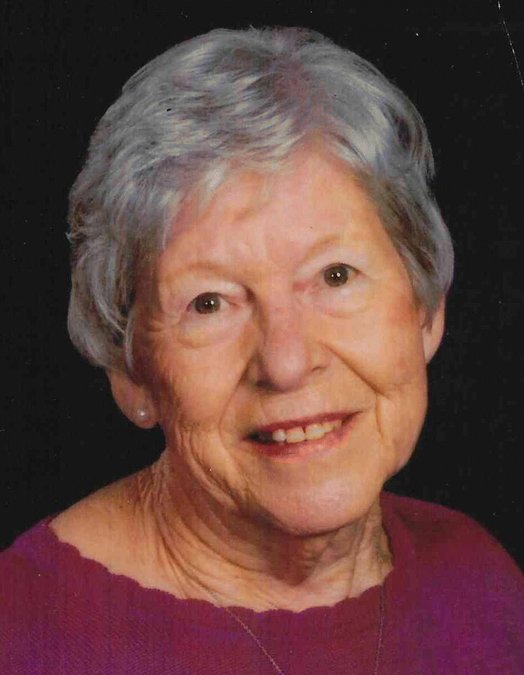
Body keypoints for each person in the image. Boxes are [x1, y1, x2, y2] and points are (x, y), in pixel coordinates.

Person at [0, 26, 522, 674]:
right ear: (130, 370)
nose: (286, 362)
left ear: (426, 309)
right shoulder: (26, 631)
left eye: (335, 275)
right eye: (210, 303)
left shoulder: (482, 585)